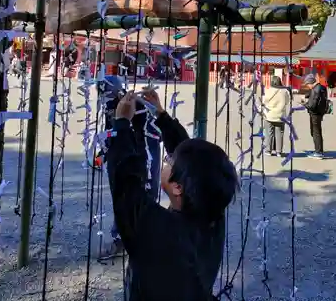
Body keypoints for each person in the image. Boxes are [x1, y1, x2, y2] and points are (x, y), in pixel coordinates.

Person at [107, 88, 238, 301]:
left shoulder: (157, 229)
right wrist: (161, 115)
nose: (166, 160)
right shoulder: (214, 213)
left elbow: (126, 184)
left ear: (178, 187)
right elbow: (193, 159)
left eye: (169, 161)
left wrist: (121, 125)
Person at [100, 76, 162, 260]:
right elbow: (110, 127)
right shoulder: (112, 105)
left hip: (143, 155)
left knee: (141, 194)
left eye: (109, 95)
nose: (106, 101)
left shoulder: (136, 105)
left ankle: (129, 239)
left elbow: (155, 130)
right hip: (123, 153)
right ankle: (125, 236)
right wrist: (106, 148)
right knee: (122, 194)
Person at [263, 76, 290, 157]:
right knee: (280, 133)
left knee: (269, 133)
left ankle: (268, 150)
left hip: (269, 115)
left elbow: (264, 100)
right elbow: (287, 101)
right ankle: (279, 151)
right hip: (280, 115)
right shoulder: (284, 91)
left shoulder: (268, 90)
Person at [302, 74, 328, 159]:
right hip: (320, 112)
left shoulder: (315, 90)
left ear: (310, 82)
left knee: (315, 132)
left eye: (307, 84)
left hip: (315, 113)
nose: (308, 86)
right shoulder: (322, 88)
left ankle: (318, 152)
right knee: (317, 132)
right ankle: (318, 150)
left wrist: (304, 104)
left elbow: (312, 105)